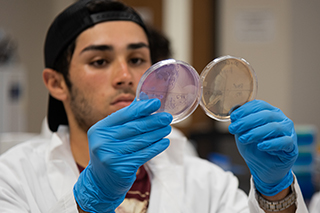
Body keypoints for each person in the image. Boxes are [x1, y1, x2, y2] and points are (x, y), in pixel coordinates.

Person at [0, 0, 308, 212]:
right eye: (99, 61)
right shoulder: (13, 177)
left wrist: (275, 193)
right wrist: (89, 202)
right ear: (56, 83)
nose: (125, 77)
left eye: (136, 60)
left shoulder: (206, 181)